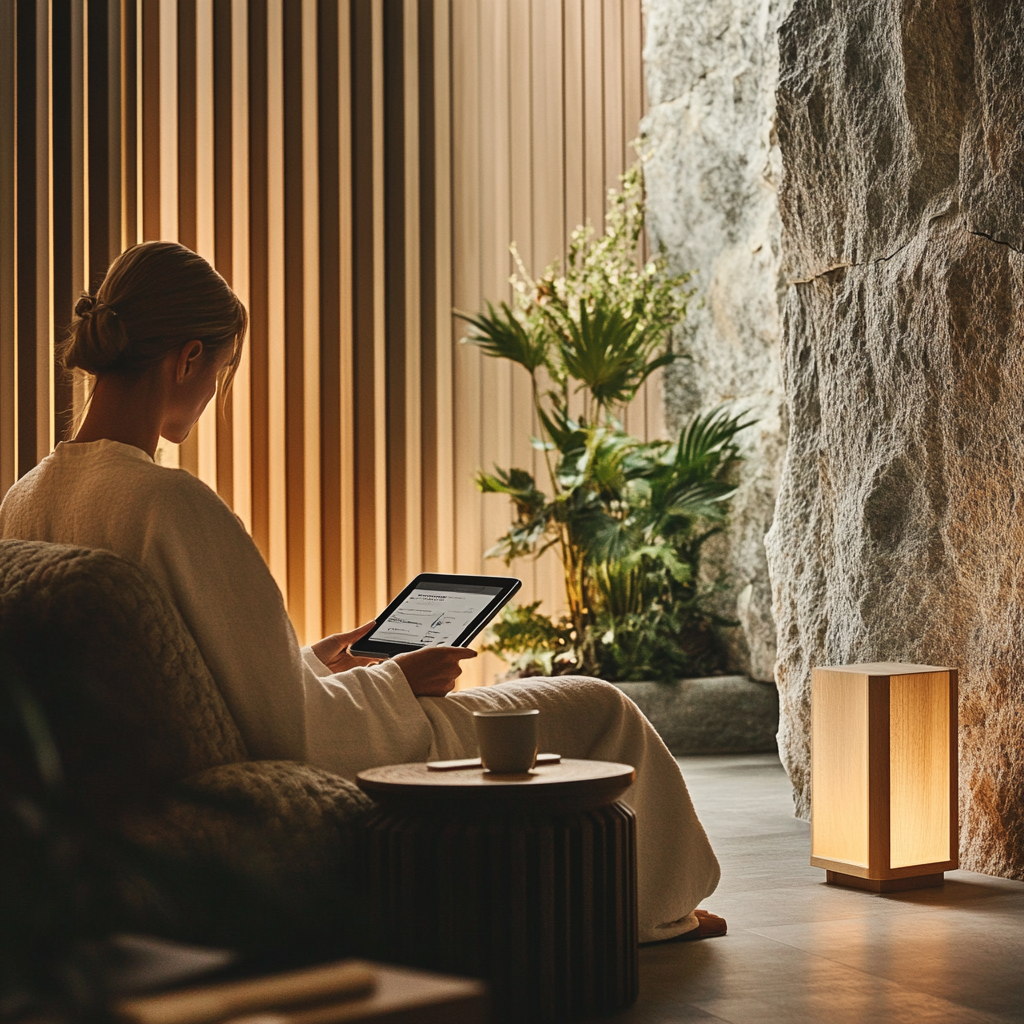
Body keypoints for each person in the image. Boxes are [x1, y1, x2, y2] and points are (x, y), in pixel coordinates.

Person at [0, 241, 724, 943]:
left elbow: (189, 681)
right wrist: (394, 680)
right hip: (306, 757)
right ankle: (656, 913)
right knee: (600, 705)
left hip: (126, 785)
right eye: (222, 370)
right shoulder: (168, 505)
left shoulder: (22, 501)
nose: (216, 392)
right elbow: (294, 734)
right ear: (188, 357)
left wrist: (313, 661)